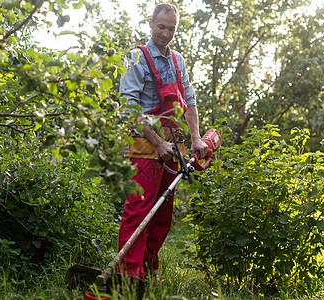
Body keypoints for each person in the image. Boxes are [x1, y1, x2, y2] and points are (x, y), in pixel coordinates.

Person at [117, 2, 208, 297]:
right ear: (150, 23)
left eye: (172, 29)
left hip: (175, 148)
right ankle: (128, 278)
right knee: (138, 213)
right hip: (145, 147)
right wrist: (158, 142)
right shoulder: (136, 58)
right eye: (161, 27)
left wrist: (195, 138)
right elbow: (130, 107)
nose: (166, 33)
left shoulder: (177, 60)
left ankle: (147, 271)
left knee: (161, 217)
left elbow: (190, 99)